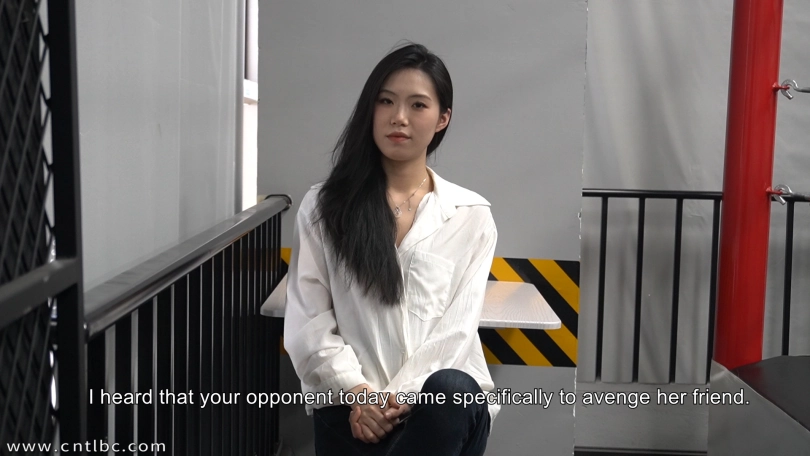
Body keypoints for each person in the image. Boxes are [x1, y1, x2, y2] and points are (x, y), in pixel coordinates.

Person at [283, 42, 499, 456]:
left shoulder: (470, 216)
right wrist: (361, 395)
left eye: (418, 105)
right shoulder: (324, 206)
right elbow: (308, 322)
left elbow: (455, 334)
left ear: (442, 118)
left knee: (451, 388)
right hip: (351, 412)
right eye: (386, 101)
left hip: (436, 416)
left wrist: (395, 401)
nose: (399, 117)